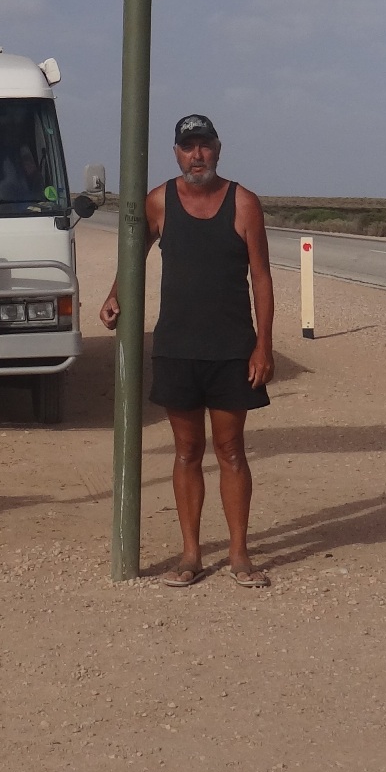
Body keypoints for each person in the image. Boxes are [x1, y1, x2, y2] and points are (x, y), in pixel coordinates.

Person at [100, 115, 276, 589]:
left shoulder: (244, 203)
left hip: (230, 350)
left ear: (218, 149)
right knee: (186, 452)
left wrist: (263, 344)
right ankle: (191, 554)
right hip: (177, 347)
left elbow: (261, 275)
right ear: (176, 153)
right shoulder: (158, 201)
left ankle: (240, 555)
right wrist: (115, 294)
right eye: (188, 147)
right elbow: (134, 255)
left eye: (204, 145)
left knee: (231, 450)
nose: (197, 155)